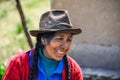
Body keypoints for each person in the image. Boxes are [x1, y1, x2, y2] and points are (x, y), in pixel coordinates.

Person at [2, 9, 83, 80]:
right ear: (43, 40)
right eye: (60, 38)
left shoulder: (74, 70)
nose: (65, 46)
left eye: (69, 39)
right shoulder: (19, 64)